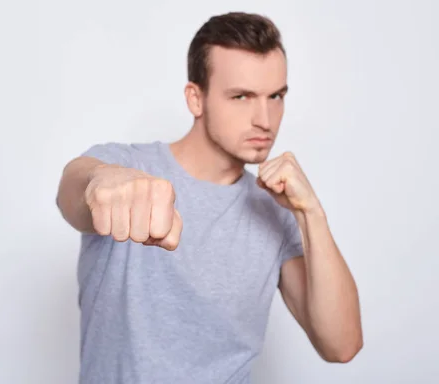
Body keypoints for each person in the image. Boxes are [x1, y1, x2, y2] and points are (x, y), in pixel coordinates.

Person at [56, 11, 363, 384]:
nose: (265, 119)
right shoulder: (128, 167)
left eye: (276, 96)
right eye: (242, 96)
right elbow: (73, 191)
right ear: (196, 98)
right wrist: (100, 181)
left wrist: (312, 213)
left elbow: (341, 345)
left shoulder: (277, 211)